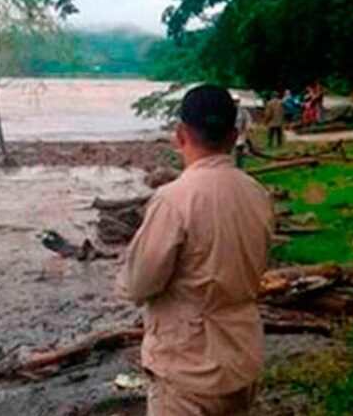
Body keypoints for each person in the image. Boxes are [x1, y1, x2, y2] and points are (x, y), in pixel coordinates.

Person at [116, 84, 274, 416]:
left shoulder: (173, 199)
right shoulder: (258, 194)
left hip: (187, 366)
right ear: (234, 137)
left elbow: (139, 284)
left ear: (180, 134)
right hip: (241, 355)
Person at [233, 95, 252, 168]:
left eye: (237, 101)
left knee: (239, 151)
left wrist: (248, 127)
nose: (236, 103)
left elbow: (248, 120)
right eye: (234, 101)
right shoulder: (228, 111)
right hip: (230, 136)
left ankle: (239, 166)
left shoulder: (243, 112)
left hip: (240, 134)